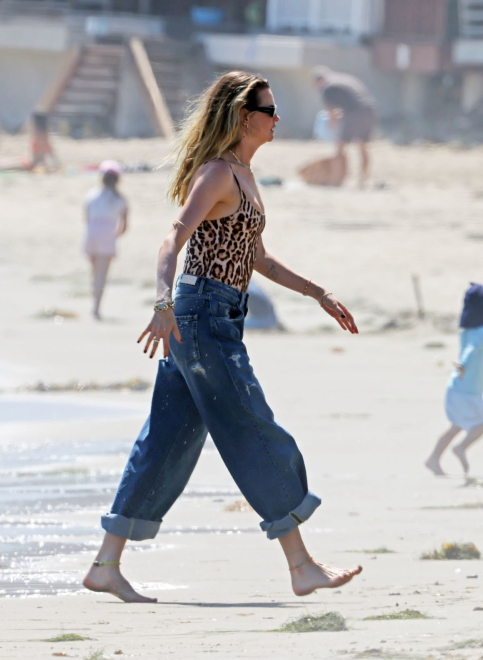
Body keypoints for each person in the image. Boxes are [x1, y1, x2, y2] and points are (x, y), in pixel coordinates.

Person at [83, 71, 361, 603]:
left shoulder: (244, 176)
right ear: (242, 115)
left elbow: (254, 256)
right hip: (200, 317)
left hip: (215, 316)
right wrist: (162, 303)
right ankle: (301, 564)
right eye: (269, 110)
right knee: (252, 426)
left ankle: (105, 564)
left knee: (168, 438)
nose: (278, 119)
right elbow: (173, 237)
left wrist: (317, 293)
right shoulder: (217, 174)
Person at [426, 283, 483, 476]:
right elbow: (471, 350)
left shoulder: (467, 330)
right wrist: (463, 365)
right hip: (467, 390)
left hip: (460, 388)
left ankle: (433, 459)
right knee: (478, 424)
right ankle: (461, 448)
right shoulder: (481, 332)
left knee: (456, 426)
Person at [313, 66, 376, 188]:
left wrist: (332, 128)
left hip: (354, 113)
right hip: (370, 111)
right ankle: (363, 181)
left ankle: (336, 179)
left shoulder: (327, 87)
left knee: (340, 146)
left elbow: (331, 114)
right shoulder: (343, 79)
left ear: (317, 81)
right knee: (363, 146)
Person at [83, 160, 128, 320]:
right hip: (107, 236)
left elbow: (86, 218)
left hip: (92, 234)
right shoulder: (120, 199)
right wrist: (113, 236)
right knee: (102, 274)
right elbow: (124, 227)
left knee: (94, 272)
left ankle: (93, 301)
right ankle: (96, 307)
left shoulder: (91, 195)